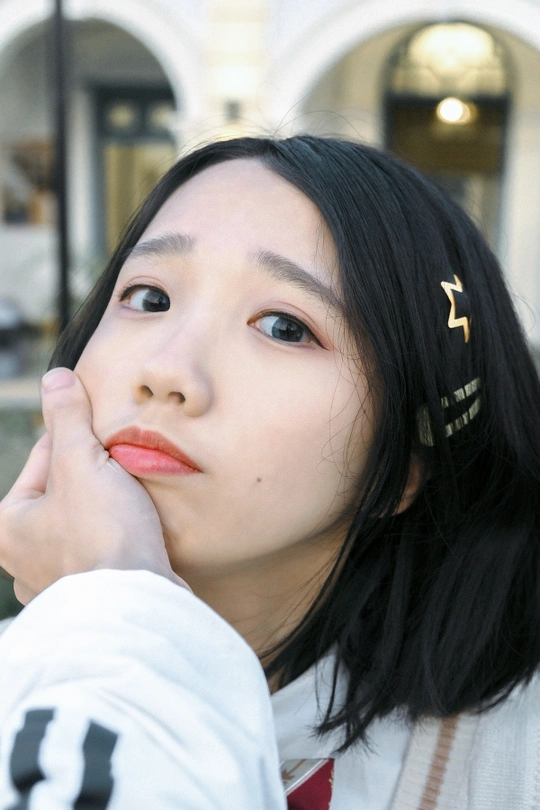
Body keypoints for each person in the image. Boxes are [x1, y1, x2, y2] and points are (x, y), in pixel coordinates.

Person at [0, 136, 540, 810]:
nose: (166, 370)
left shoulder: (512, 766)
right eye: (148, 297)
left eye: (284, 326)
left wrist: (113, 611)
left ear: (403, 468)